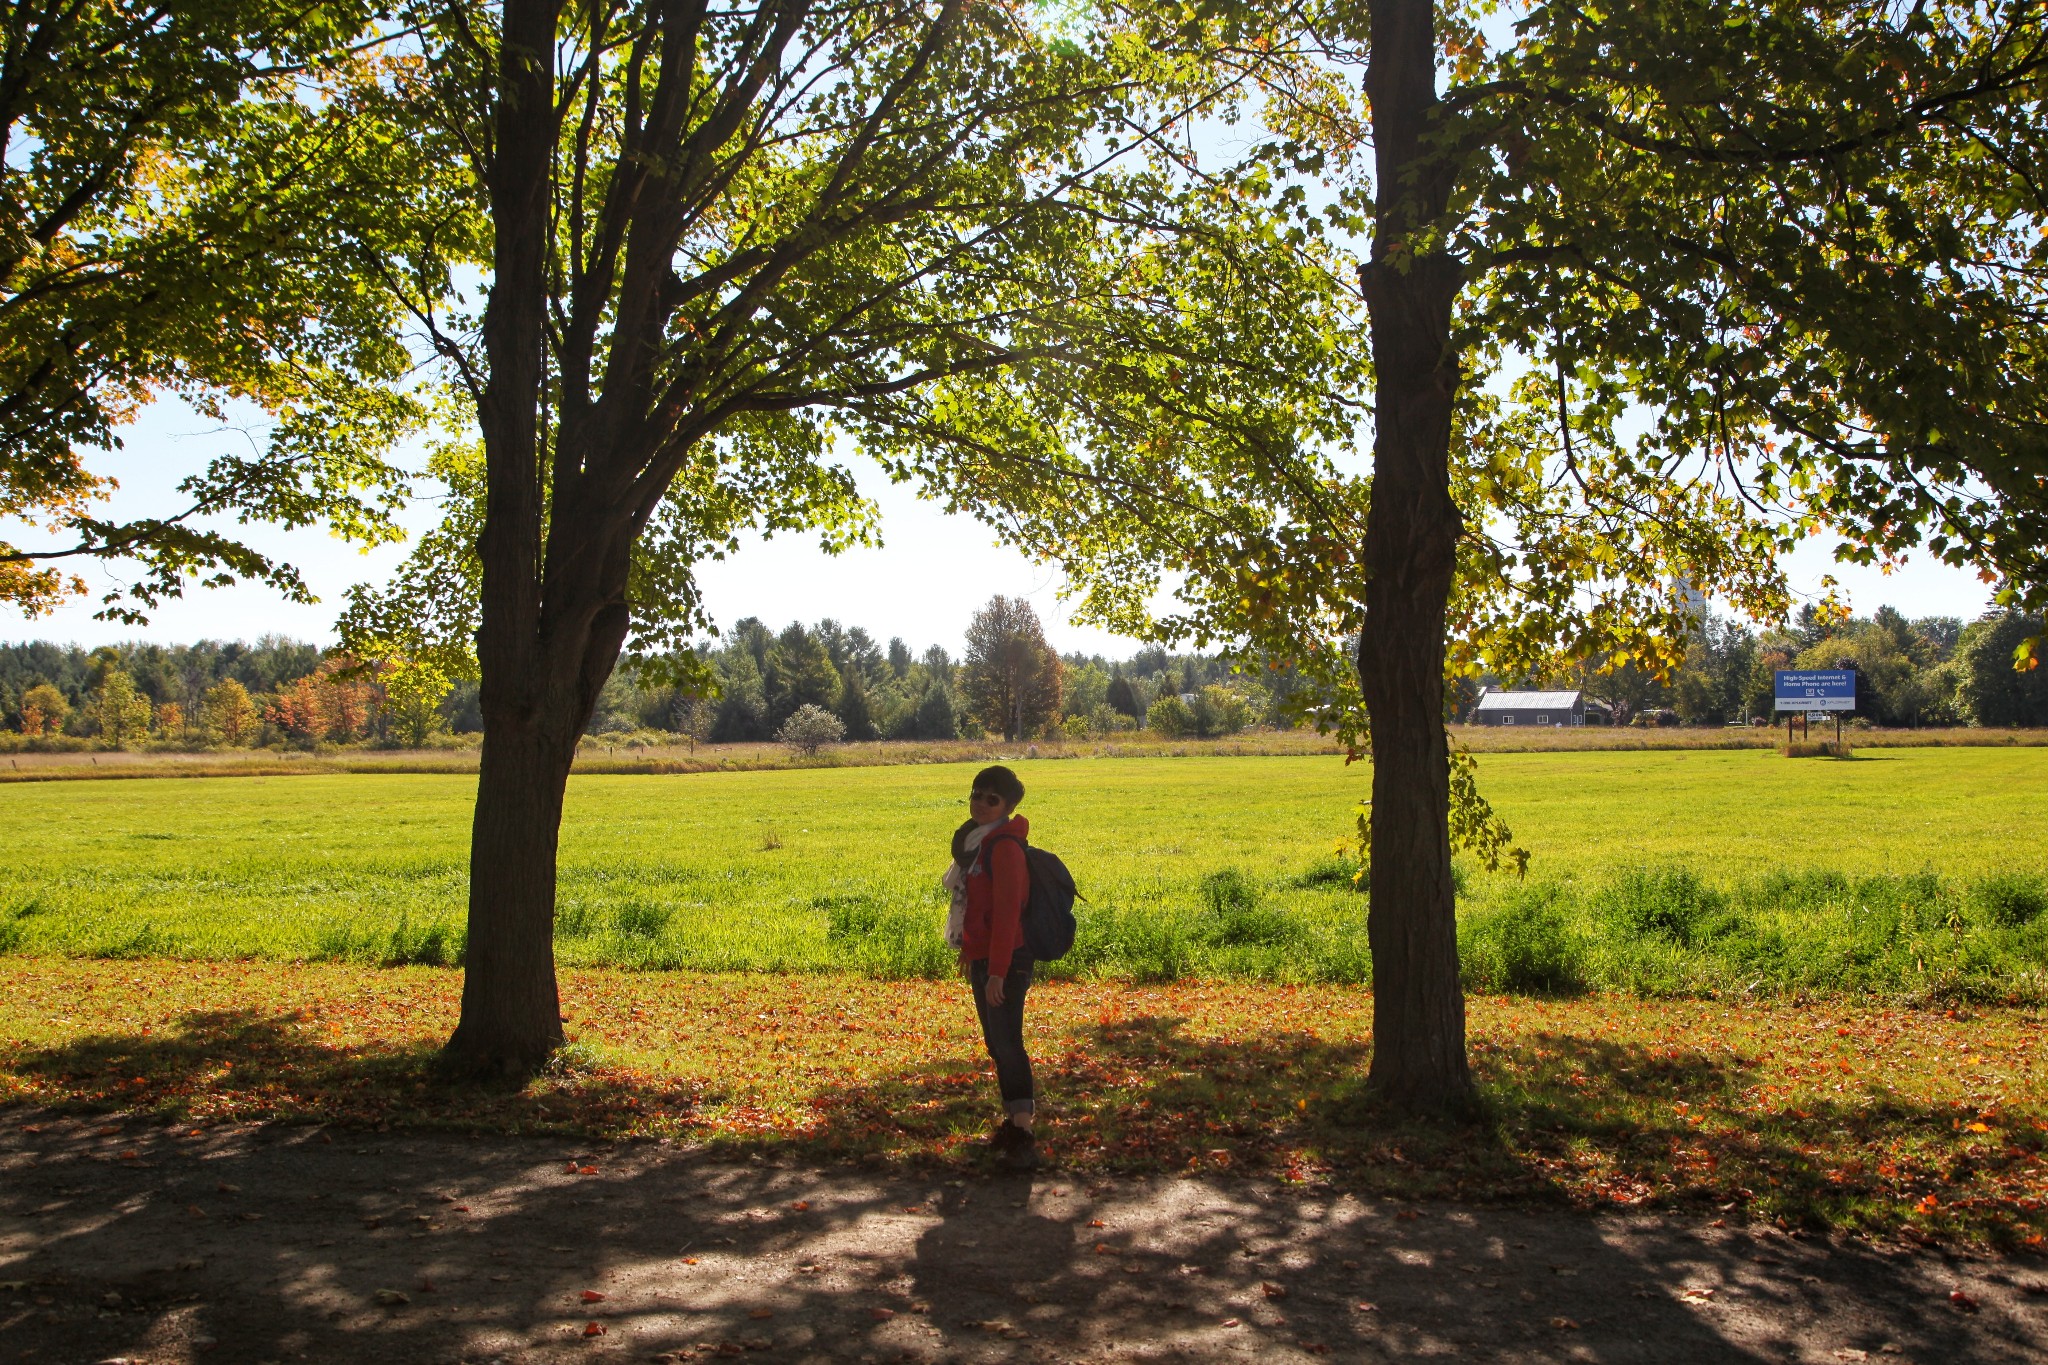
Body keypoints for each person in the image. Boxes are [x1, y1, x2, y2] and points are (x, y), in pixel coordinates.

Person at [947, 764, 1037, 1171]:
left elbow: (1006, 916)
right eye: (975, 795)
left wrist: (998, 971)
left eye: (991, 799)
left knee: (1007, 1041)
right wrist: (971, 951)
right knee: (995, 1042)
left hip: (1008, 958)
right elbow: (978, 908)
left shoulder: (1003, 848)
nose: (980, 804)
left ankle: (1023, 1130)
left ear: (1007, 806)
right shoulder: (977, 845)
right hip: (985, 957)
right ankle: (1013, 1123)